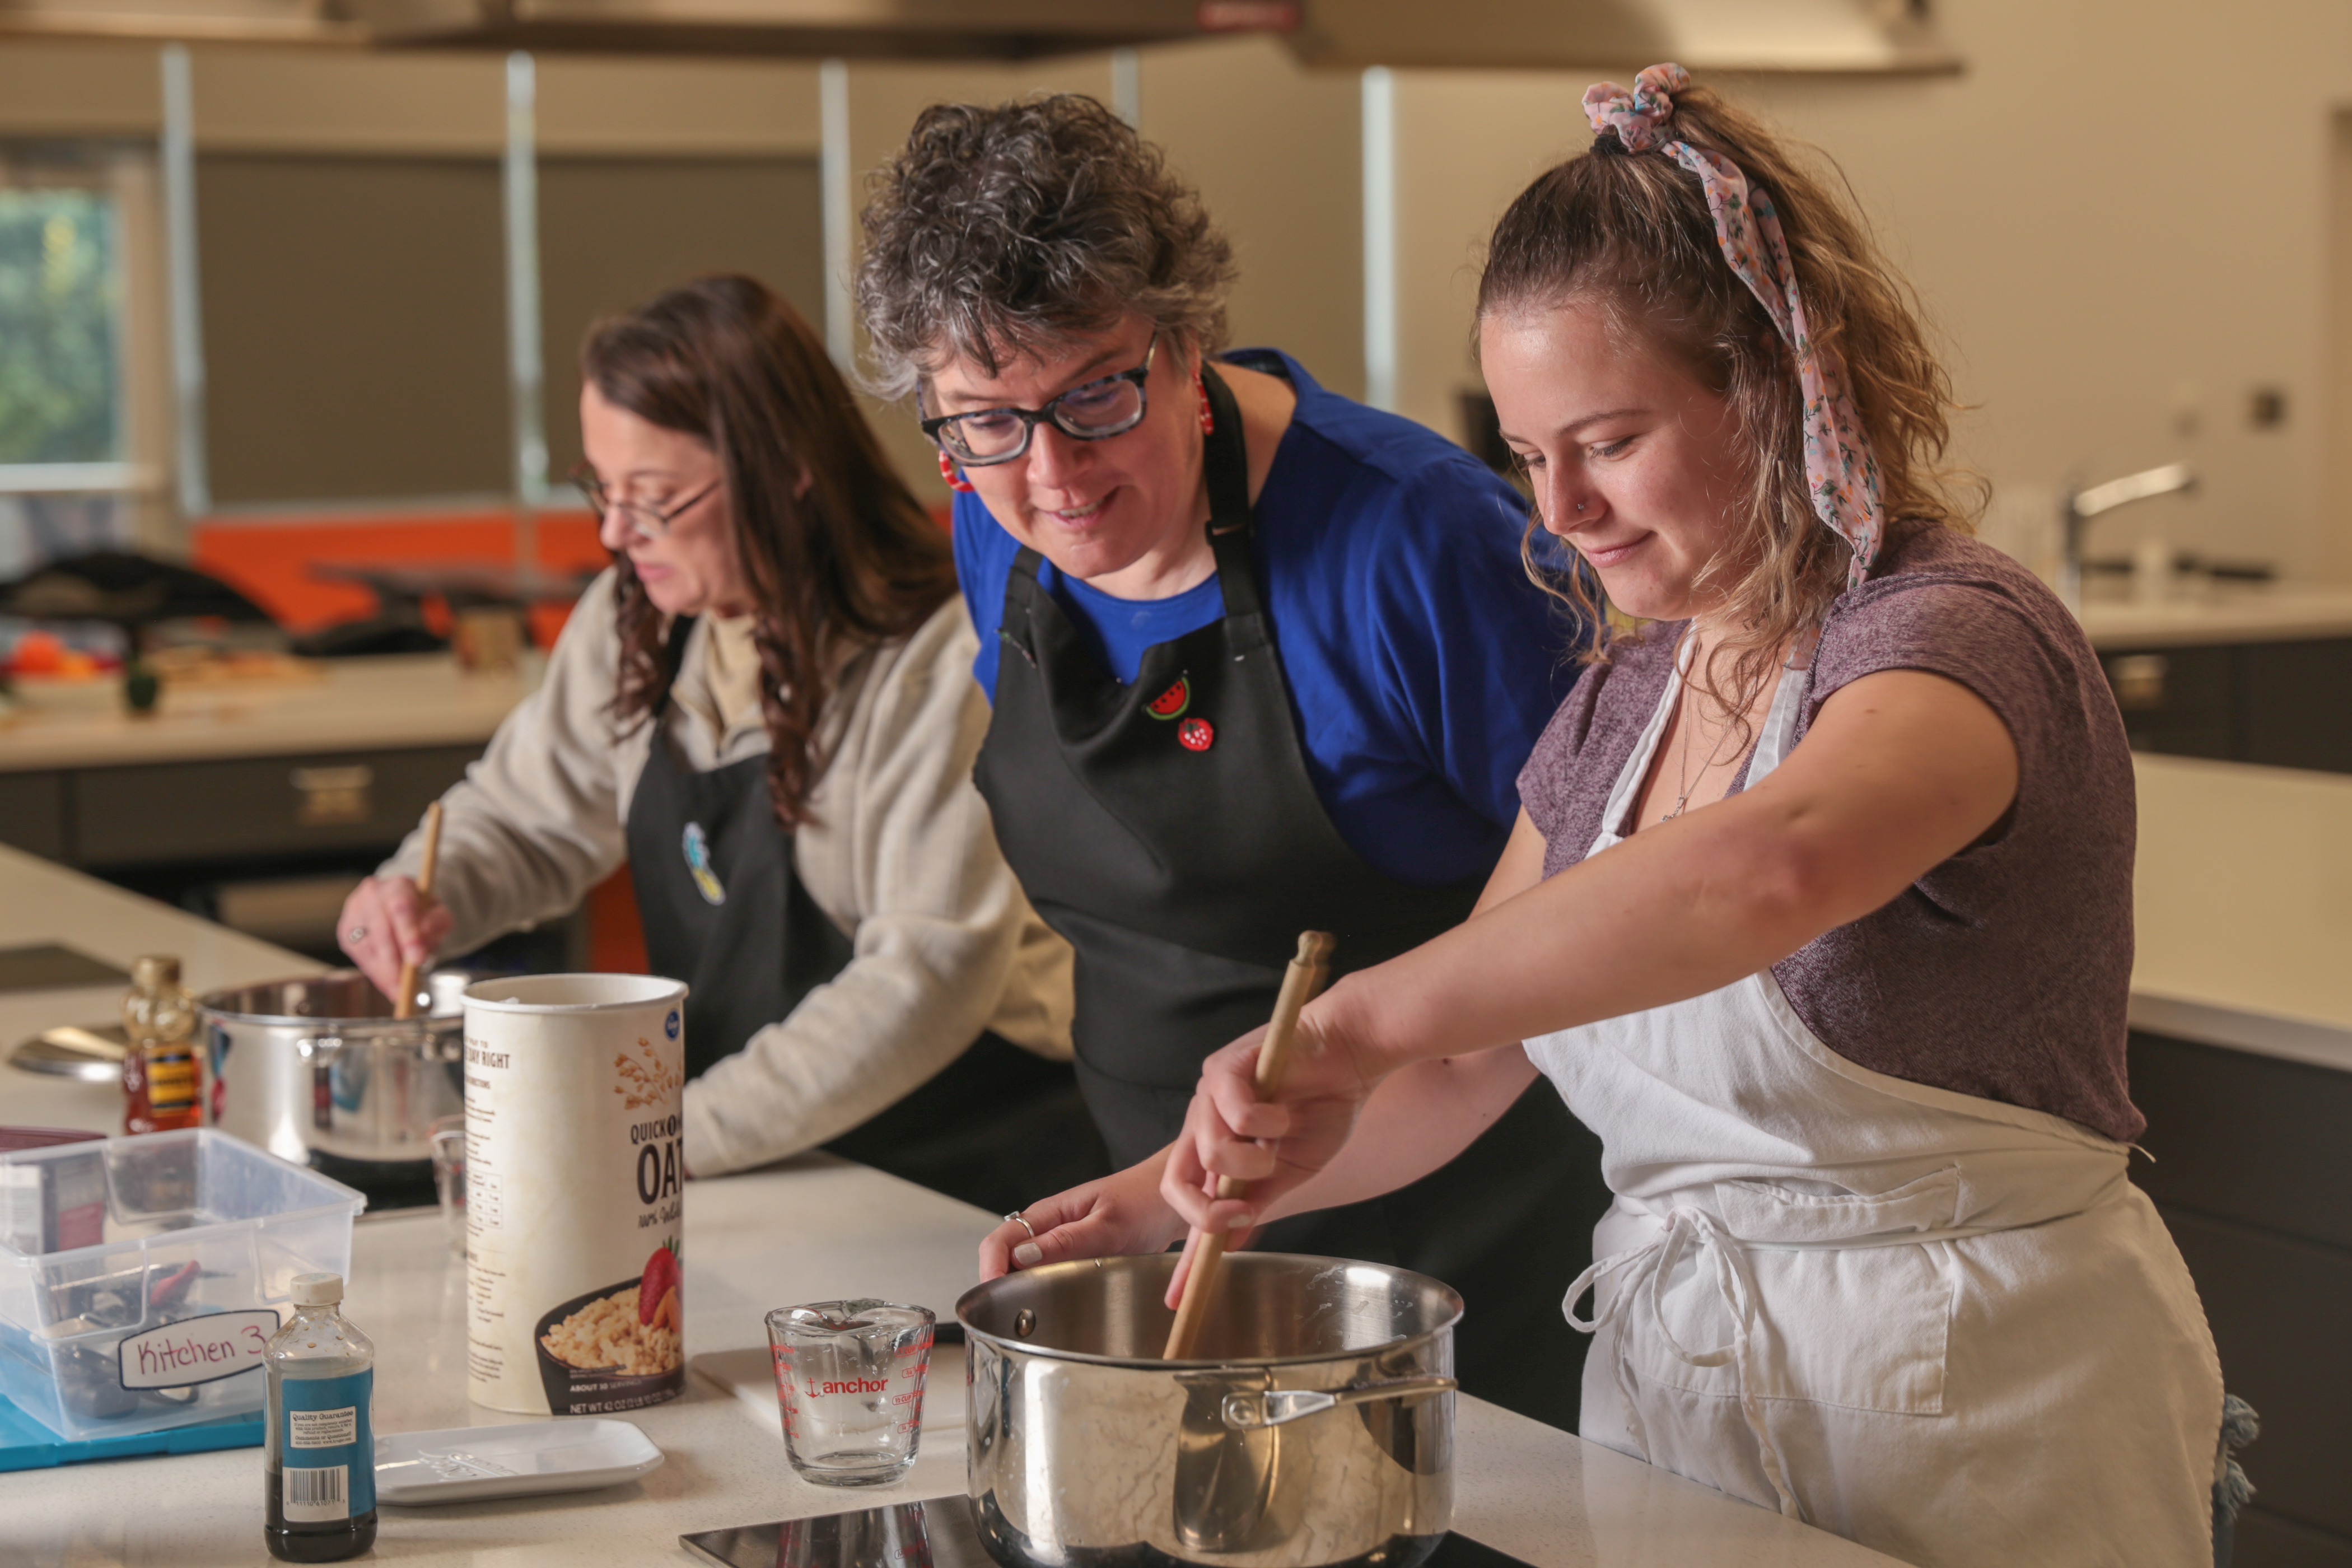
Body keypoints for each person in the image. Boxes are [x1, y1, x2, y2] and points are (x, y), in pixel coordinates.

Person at [981, 68, 2236, 1568]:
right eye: (1526, 451)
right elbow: (1461, 1055)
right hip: (1676, 1421)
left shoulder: (1951, 635)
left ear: (1774, 385)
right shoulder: (1621, 706)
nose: (1558, 507)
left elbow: (1774, 867)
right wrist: (1158, 1204)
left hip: (1982, 1412)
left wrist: (1358, 1018)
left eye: (1611, 440)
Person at [855, 94, 1612, 1430]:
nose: (1055, 474)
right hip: (1172, 1228)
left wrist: (1185, 1185)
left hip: (1458, 1256)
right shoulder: (1001, 525)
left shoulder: (1415, 543)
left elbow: (1598, 927)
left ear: (1184, 339)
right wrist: (1149, 1192)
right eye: (986, 420)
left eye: (1097, 392)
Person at [338, 275, 1099, 1209]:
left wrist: (664, 1139)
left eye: (653, 499)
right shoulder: (643, 622)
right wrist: (425, 887)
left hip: (966, 1177)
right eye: (601, 491)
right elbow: (529, 817)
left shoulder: (941, 655)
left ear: (784, 468)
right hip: (762, 1163)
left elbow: (922, 982)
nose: (617, 533)